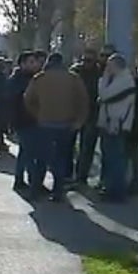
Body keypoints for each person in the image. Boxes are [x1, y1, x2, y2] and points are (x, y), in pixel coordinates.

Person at [24, 52, 89, 202]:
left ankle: (35, 189)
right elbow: (83, 101)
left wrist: (37, 114)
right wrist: (79, 120)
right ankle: (58, 191)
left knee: (41, 158)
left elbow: (28, 99)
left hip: (44, 123)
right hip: (66, 124)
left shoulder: (39, 78)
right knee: (61, 158)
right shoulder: (73, 79)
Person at [96, 53, 136, 202]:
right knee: (109, 158)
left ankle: (117, 192)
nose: (106, 68)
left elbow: (104, 95)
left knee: (116, 159)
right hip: (110, 124)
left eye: (109, 65)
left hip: (117, 125)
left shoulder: (124, 80)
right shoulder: (118, 79)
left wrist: (103, 79)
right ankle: (110, 188)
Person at [8, 51, 41, 192]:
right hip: (24, 120)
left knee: (24, 152)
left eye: (36, 62)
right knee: (29, 152)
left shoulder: (31, 78)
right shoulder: (18, 80)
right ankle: (34, 182)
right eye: (31, 62)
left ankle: (19, 180)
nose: (36, 65)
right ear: (22, 64)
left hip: (30, 120)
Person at [71, 48, 104, 184]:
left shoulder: (99, 73)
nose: (86, 63)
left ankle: (81, 176)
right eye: (84, 60)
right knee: (69, 146)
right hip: (74, 113)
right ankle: (69, 174)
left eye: (89, 60)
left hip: (92, 114)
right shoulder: (75, 71)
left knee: (87, 148)